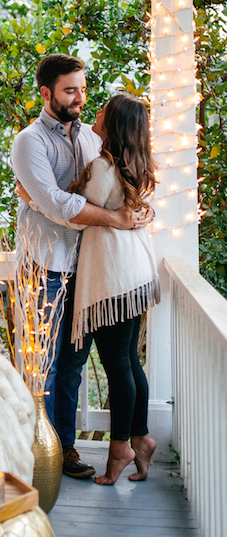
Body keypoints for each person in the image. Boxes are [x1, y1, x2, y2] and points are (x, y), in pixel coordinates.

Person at [10, 54, 150, 479]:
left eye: (83, 89)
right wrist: (116, 219)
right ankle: (41, 450)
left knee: (74, 361)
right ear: (46, 93)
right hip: (48, 265)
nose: (79, 98)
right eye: (70, 90)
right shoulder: (30, 142)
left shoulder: (92, 138)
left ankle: (64, 447)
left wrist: (137, 210)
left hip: (89, 269)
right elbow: (56, 205)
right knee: (45, 363)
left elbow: (120, 184)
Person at [63, 94, 159, 483]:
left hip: (114, 278)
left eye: (103, 111)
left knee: (117, 364)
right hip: (135, 274)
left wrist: (34, 199)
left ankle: (120, 446)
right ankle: (141, 437)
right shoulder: (138, 165)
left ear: (114, 124)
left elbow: (76, 218)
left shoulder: (103, 168)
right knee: (129, 362)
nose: (95, 113)